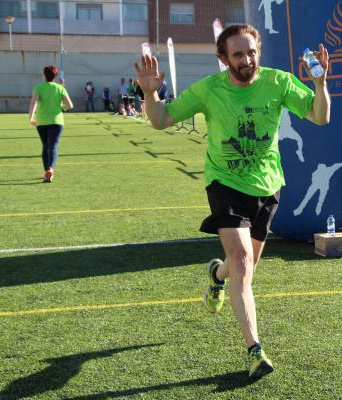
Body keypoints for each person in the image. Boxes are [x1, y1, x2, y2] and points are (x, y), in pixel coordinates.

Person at [135, 24, 330, 379]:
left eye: (252, 52)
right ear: (223, 59)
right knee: (241, 261)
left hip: (268, 187)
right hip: (224, 183)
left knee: (243, 267)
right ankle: (255, 351)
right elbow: (161, 120)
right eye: (238, 54)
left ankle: (216, 273)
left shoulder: (280, 82)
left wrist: (320, 84)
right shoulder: (210, 90)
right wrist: (151, 94)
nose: (247, 59)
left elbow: (320, 116)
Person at [28, 65, 74, 183]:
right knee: (53, 146)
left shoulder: (38, 87)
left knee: (45, 146)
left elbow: (34, 102)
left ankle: (46, 172)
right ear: (55, 76)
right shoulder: (60, 88)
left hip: (41, 121)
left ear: (44, 75)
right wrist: (61, 107)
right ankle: (50, 169)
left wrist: (31, 117)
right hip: (56, 121)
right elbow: (70, 105)